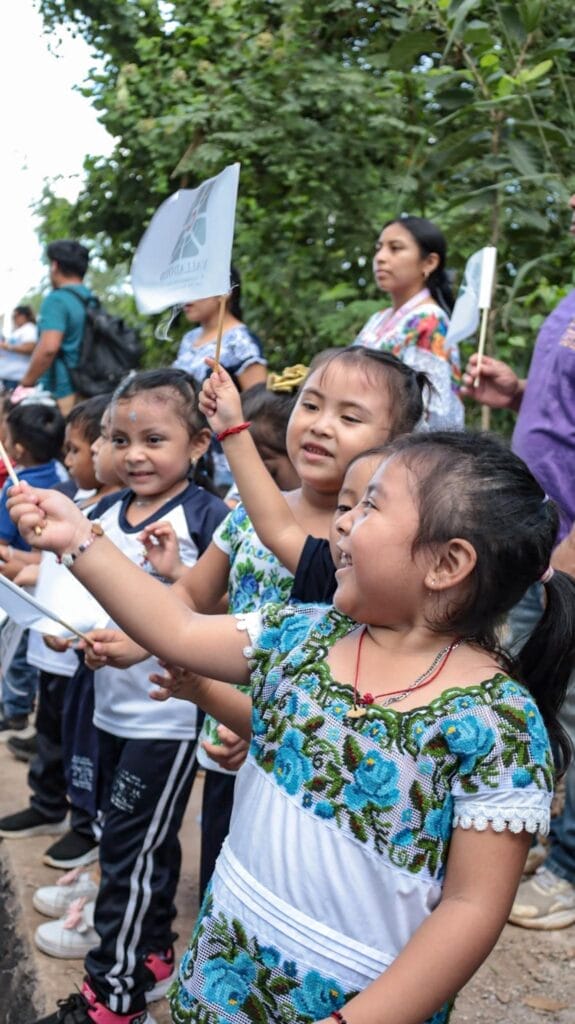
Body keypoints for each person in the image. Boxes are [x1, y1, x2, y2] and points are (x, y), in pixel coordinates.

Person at [9, 430, 575, 1024]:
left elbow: (471, 908)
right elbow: (175, 630)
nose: (342, 523)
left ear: (447, 563)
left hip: (352, 1003)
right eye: (348, 507)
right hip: (226, 965)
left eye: (371, 507)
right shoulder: (302, 633)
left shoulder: (497, 724)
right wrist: (79, 540)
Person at [84, 347, 427, 904]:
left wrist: (233, 429)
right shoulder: (245, 512)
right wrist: (130, 642)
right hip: (222, 729)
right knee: (222, 860)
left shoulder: (364, 547)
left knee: (288, 879)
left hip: (304, 747)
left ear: (399, 444)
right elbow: (192, 594)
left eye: (349, 416)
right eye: (310, 404)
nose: (319, 425)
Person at [20, 368, 228, 1024]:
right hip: (106, 711)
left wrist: (177, 577)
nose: (133, 453)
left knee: (129, 851)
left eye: (153, 439)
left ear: (197, 445)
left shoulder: (208, 517)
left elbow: (220, 610)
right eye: (119, 438)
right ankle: (153, 951)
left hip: (164, 723)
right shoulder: (102, 512)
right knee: (131, 839)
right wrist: (64, 634)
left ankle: (112, 996)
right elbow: (75, 596)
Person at [461, 192, 575, 930]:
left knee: (572, 704)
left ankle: (566, 869)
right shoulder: (568, 298)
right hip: (541, 534)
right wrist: (518, 395)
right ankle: (542, 837)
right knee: (535, 686)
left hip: (569, 544)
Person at [0, 395, 120, 873]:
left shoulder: (108, 518)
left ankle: (83, 822)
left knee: (80, 747)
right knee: (51, 733)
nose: (75, 460)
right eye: (74, 450)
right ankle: (48, 805)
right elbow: (52, 563)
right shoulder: (74, 500)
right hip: (48, 647)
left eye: (83, 449)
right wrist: (27, 567)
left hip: (81, 654)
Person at [353, 215, 463, 429]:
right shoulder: (378, 318)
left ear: (429, 262)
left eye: (395, 248)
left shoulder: (430, 320)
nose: (380, 257)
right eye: (379, 248)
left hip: (405, 451)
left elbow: (435, 412)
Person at [0, 399, 65, 735]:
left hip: (21, 582)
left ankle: (13, 709)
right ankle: (20, 706)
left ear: (19, 450)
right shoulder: (61, 478)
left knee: (17, 650)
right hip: (45, 575)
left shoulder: (17, 488)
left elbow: (2, 542)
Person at [172, 267, 267, 490]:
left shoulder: (240, 340)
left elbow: (259, 403)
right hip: (189, 449)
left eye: (195, 289)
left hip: (224, 454)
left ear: (224, 293)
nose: (186, 298)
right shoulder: (189, 338)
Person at [19, 240, 91, 415]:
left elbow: (49, 348)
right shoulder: (90, 299)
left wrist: (26, 383)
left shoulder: (57, 299)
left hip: (63, 390)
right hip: (89, 387)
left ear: (55, 265)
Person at [0, 305, 38, 390]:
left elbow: (30, 348)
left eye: (15, 316)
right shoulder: (19, 330)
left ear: (23, 316)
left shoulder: (29, 329)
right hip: (9, 375)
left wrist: (7, 347)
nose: (13, 319)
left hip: (18, 376)